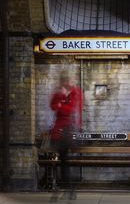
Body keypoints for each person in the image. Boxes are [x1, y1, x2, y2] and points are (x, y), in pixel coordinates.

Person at [49, 71, 82, 201]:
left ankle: (67, 188)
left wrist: (60, 104)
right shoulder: (58, 92)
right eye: (63, 81)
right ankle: (67, 189)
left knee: (66, 162)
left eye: (65, 80)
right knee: (62, 162)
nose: (64, 83)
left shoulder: (74, 92)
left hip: (69, 132)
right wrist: (61, 103)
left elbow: (70, 109)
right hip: (59, 132)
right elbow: (52, 106)